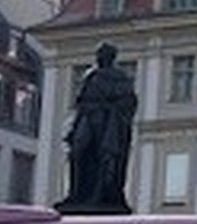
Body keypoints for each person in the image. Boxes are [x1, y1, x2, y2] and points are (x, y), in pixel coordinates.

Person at [58, 42, 137, 212]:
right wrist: (75, 126)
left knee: (105, 157)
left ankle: (100, 194)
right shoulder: (92, 76)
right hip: (87, 117)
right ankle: (76, 192)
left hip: (106, 122)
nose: (99, 58)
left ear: (110, 57)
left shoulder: (120, 78)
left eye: (102, 55)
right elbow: (81, 102)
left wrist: (111, 111)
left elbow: (128, 103)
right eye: (98, 55)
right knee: (77, 153)